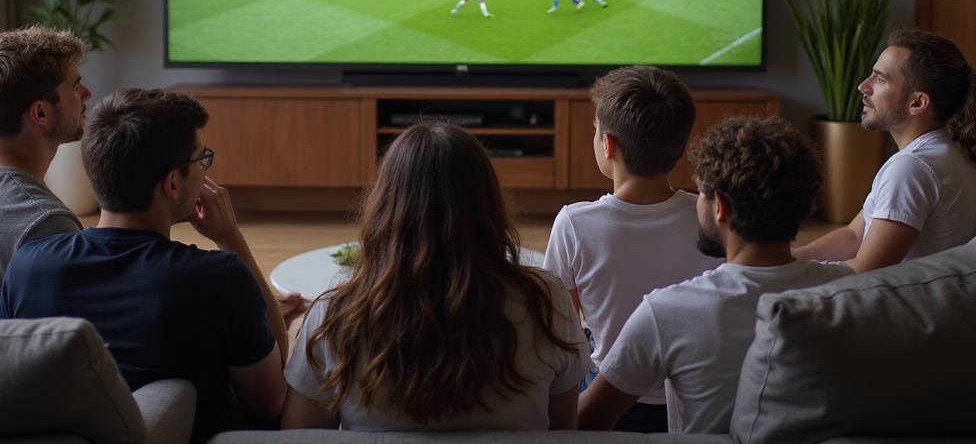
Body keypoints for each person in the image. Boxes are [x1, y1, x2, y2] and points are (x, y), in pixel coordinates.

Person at [0, 88, 301, 443]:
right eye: (201, 161)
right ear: (172, 182)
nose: (205, 174)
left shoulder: (27, 265)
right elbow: (269, 402)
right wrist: (229, 236)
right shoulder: (220, 279)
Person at [282, 123, 592, 431]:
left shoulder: (334, 316)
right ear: (488, 204)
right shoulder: (546, 300)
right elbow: (562, 433)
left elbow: (298, 437)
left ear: (384, 206)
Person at [577, 116, 853, 434]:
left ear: (719, 206)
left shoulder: (666, 312)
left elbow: (586, 420)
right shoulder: (851, 293)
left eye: (701, 193)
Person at [543, 66, 718, 432]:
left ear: (608, 145)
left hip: (610, 401)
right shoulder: (711, 217)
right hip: (696, 399)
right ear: (682, 145)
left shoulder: (573, 223)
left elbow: (560, 329)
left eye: (594, 129)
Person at [795, 28, 976, 272]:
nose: (863, 86)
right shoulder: (947, 150)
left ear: (917, 103)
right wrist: (789, 260)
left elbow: (865, 271)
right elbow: (854, 235)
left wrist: (788, 278)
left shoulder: (912, 168)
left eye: (880, 79)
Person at [0, 26, 88, 319]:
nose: (87, 94)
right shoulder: (45, 223)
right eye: (76, 88)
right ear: (40, 113)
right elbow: (63, 337)